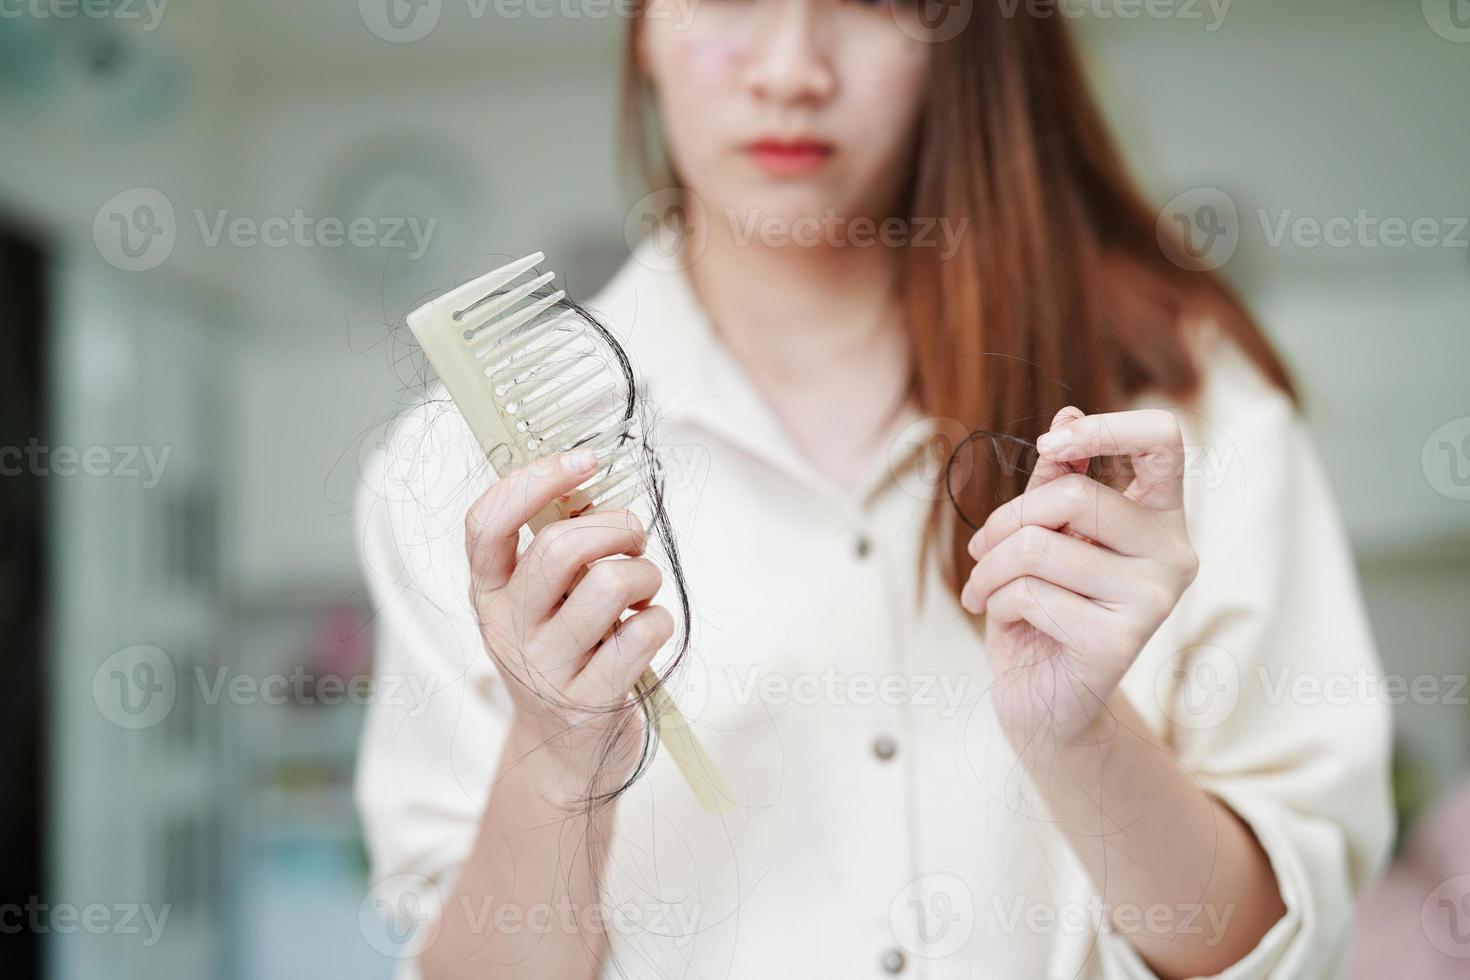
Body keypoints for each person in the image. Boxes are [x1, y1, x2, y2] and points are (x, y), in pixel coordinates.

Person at [355, 3, 1392, 978]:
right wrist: (554, 753)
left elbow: (1274, 947)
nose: (793, 71)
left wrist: (1082, 742)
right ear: (642, 27)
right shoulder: (452, 471)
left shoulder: (1186, 410)